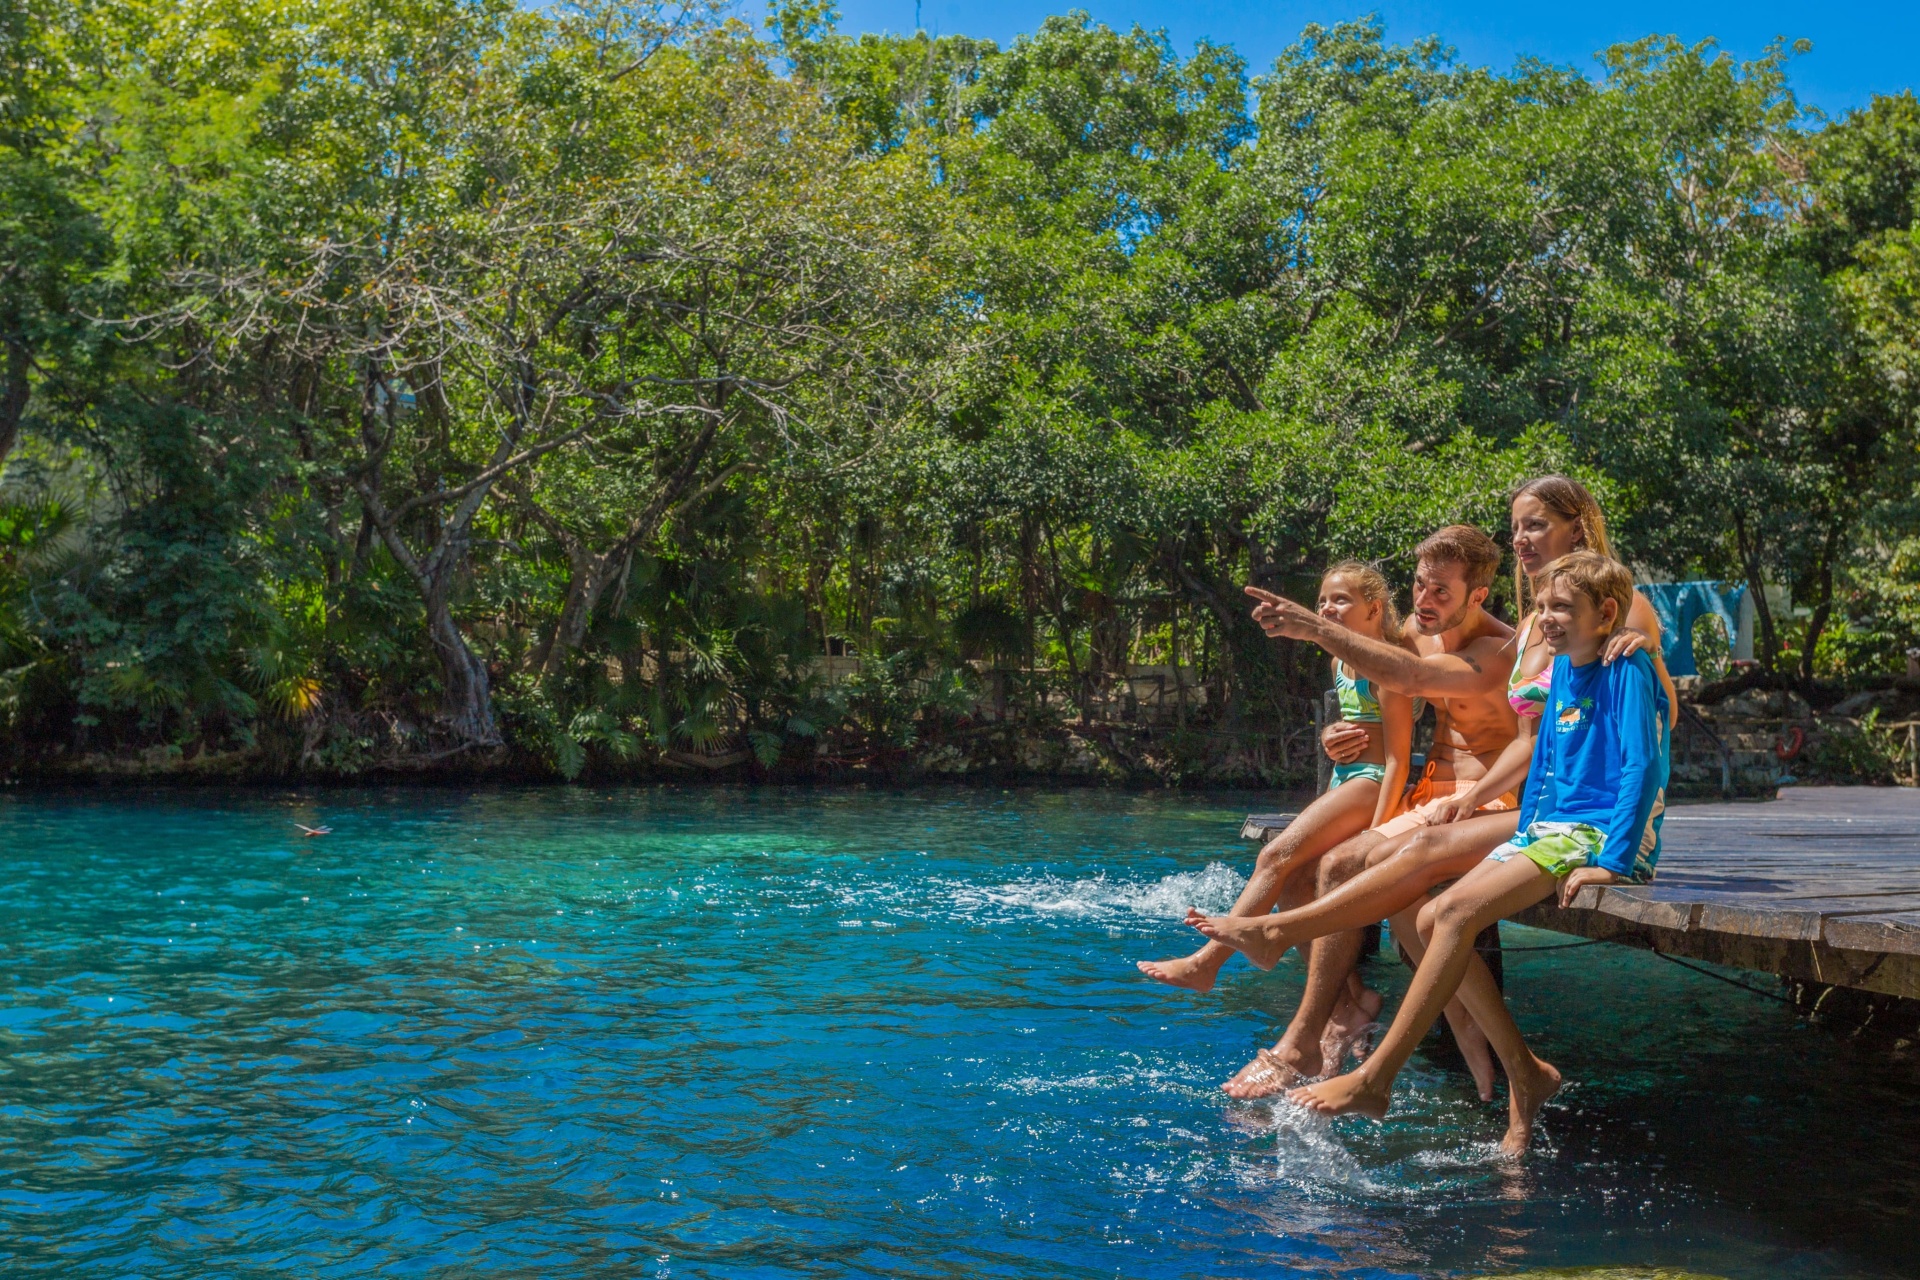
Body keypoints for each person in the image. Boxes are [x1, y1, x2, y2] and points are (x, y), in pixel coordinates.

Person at [1185, 478, 1675, 1026]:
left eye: (1535, 524)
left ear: (1576, 528)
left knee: (1382, 868)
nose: (1520, 538)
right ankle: (1363, 1027)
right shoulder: (1536, 622)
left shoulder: (1619, 611)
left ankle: (1302, 989)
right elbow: (1526, 740)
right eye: (1514, 526)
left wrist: (1314, 627)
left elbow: (1657, 722)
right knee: (1345, 871)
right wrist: (1339, 735)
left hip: (1591, 816)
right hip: (1535, 805)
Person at [1281, 551, 1670, 1156]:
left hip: (1604, 833)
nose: (1544, 620)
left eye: (1560, 608)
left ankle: (1374, 1076)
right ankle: (1525, 1070)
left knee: (1455, 914)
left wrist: (1616, 860)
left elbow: (1643, 768)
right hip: (1553, 826)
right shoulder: (1562, 668)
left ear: (1608, 613)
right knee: (1435, 917)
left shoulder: (1628, 667)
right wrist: (1528, 827)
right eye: (1540, 606)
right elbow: (1542, 760)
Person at [1206, 524, 1519, 1097]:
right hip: (1429, 794)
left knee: (1351, 869)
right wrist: (1339, 734)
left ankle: (1301, 1025)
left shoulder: (1504, 650)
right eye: (1420, 586)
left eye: (1441, 593)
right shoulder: (1419, 631)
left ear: (1478, 595)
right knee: (1318, 868)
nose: (1424, 602)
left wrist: (1314, 626)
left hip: (1490, 797)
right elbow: (1381, 692)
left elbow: (1412, 677)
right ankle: (1353, 1020)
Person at [1136, 563, 1415, 1093]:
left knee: (1273, 856)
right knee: (1291, 879)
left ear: (1374, 608)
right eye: (1323, 600)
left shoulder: (1390, 665)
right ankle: (1353, 1002)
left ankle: (1209, 962)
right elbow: (1353, 728)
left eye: (1340, 600)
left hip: (1374, 784)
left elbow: (1399, 758)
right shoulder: (1339, 659)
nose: (1327, 609)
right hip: (1344, 780)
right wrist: (1332, 737)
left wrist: (1379, 835)